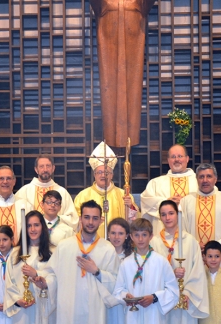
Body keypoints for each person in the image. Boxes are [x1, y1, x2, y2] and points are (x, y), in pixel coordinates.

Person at [88, 0, 155, 149]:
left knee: (132, 93)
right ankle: (111, 138)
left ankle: (131, 139)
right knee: (109, 92)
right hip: (108, 53)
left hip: (133, 51)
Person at [181, 162, 221, 278]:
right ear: (197, 179)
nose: (205, 180)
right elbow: (181, 229)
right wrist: (196, 244)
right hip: (195, 256)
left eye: (209, 176)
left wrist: (215, 247)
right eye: (201, 177)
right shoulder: (186, 201)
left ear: (215, 179)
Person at [74, 142, 138, 238]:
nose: (103, 175)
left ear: (112, 175)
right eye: (99, 172)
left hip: (117, 242)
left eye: (106, 172)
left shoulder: (124, 195)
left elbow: (135, 223)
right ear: (94, 175)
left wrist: (130, 207)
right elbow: (76, 223)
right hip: (91, 243)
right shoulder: (83, 196)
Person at [140, 144, 198, 233]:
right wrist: (166, 203)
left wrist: (185, 203)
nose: (177, 160)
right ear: (168, 160)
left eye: (180, 156)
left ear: (187, 159)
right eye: (173, 157)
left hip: (191, 235)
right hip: (162, 237)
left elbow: (207, 201)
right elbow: (146, 201)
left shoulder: (198, 182)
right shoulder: (156, 183)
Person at [15, 156, 79, 230]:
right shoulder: (24, 191)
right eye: (41, 166)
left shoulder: (62, 192)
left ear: (53, 168)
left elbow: (73, 220)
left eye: (48, 166)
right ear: (36, 169)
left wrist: (54, 219)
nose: (45, 169)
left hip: (56, 236)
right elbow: (18, 218)